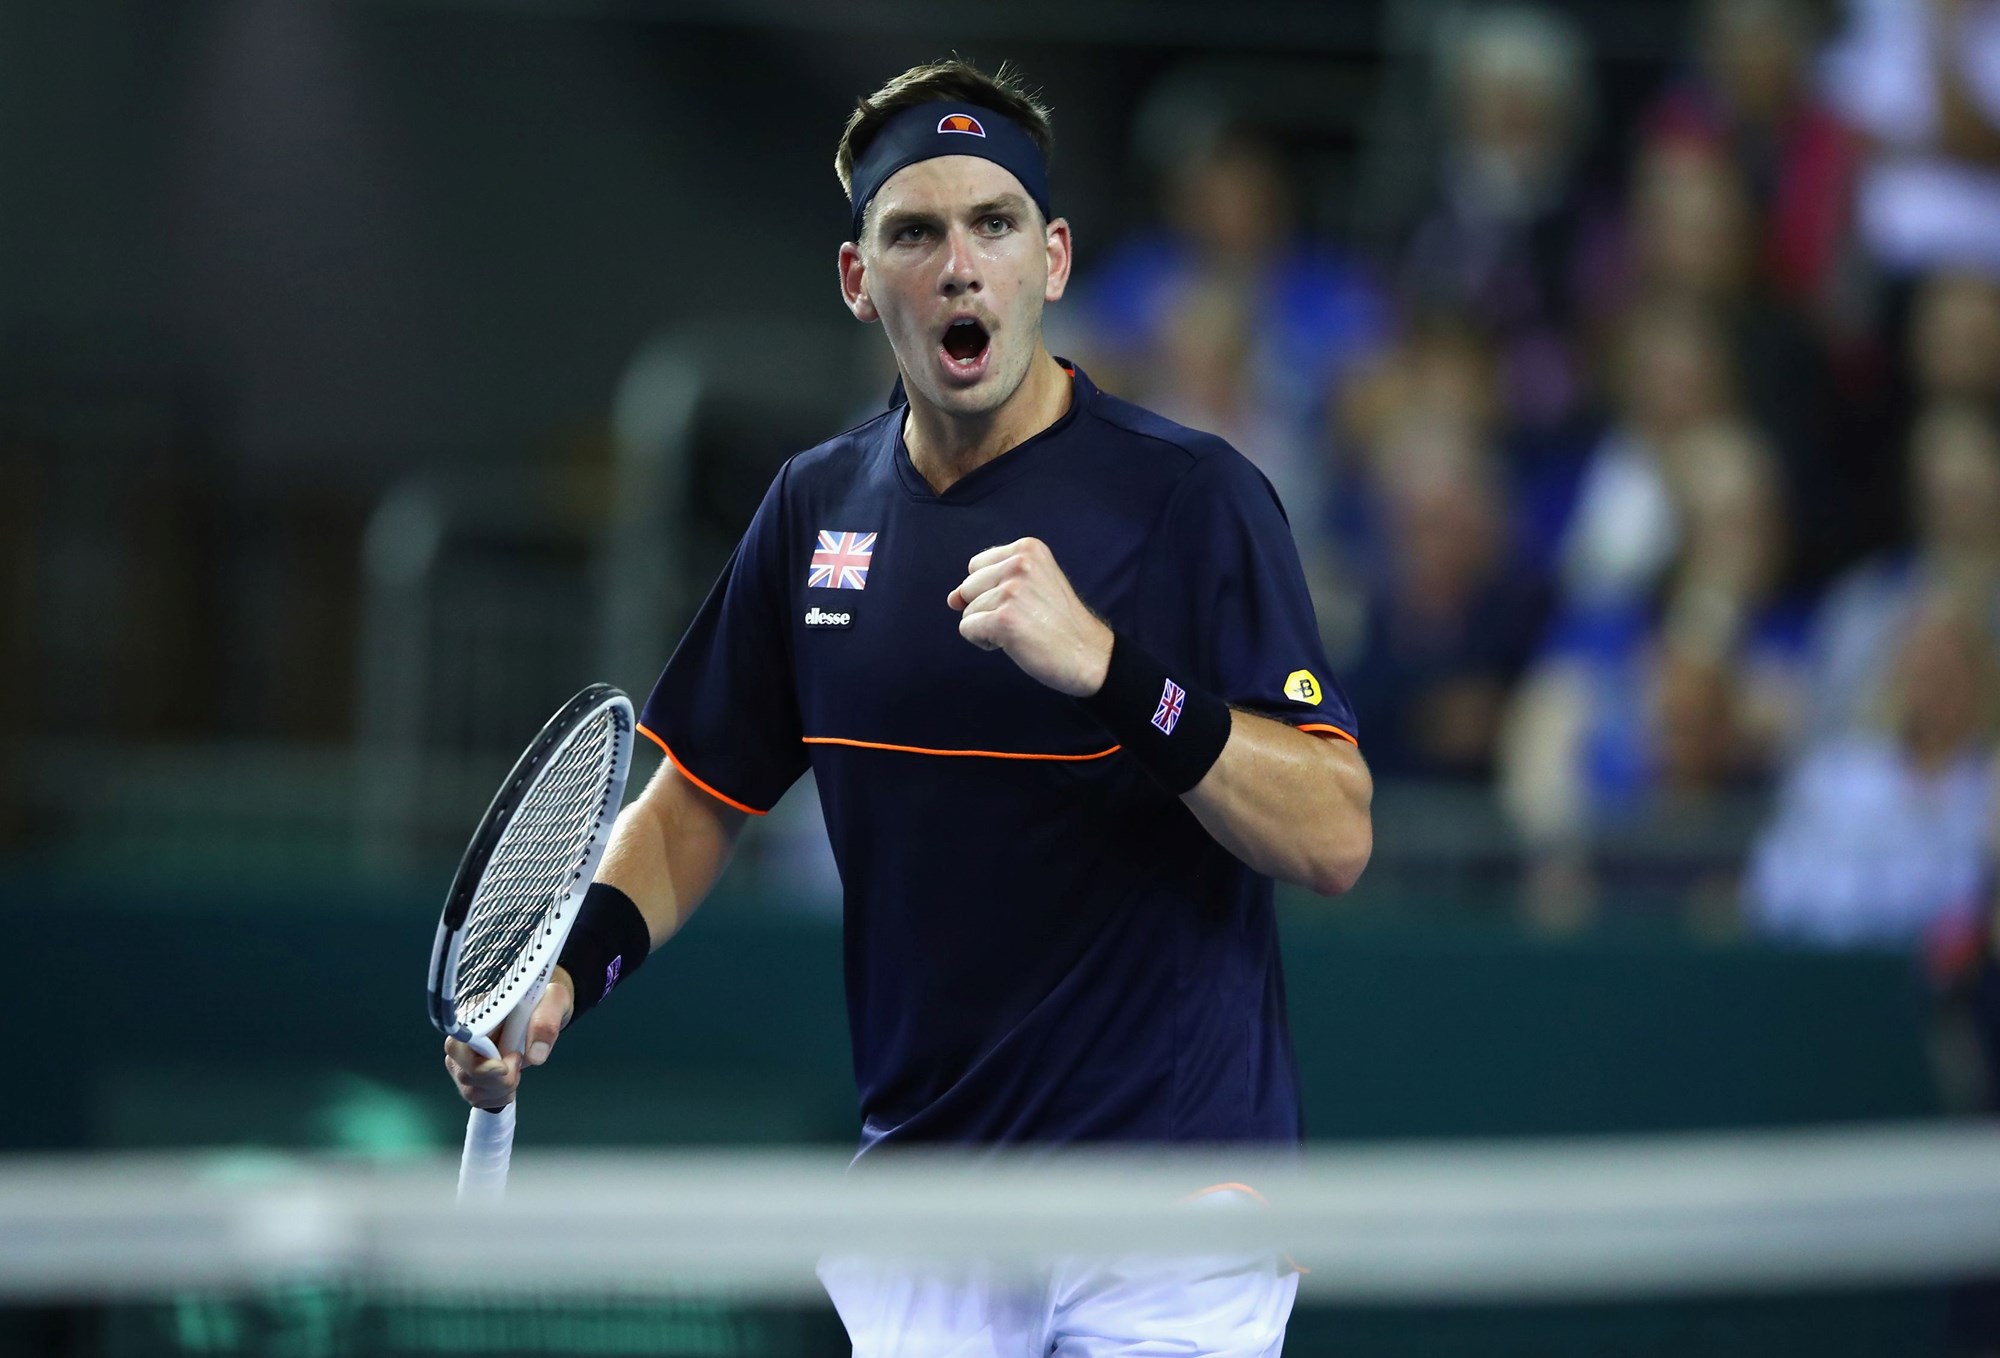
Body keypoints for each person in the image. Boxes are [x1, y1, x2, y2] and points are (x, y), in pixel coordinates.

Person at [442, 58, 1372, 1356]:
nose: (958, 264)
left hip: (1171, 1195)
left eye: (993, 225)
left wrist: (1114, 671)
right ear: (857, 277)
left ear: (1050, 260)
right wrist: (571, 972)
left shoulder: (1196, 501)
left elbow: (1333, 832)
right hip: (929, 1204)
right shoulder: (811, 512)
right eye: (914, 232)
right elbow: (700, 800)